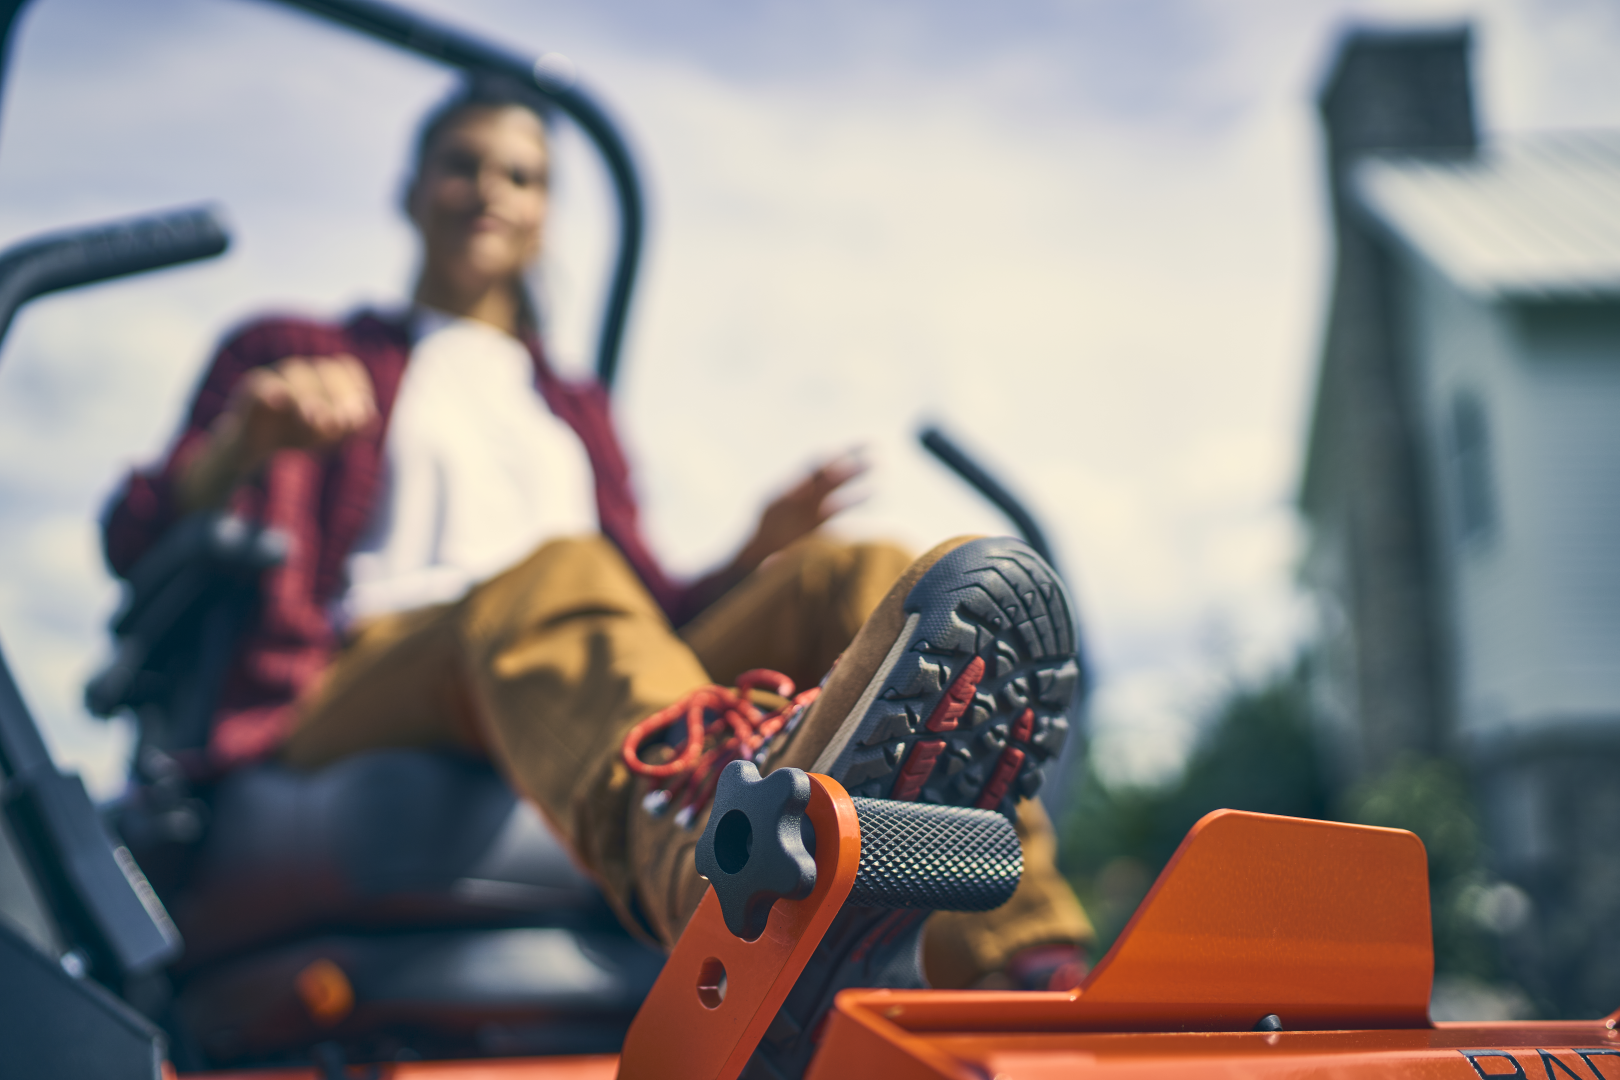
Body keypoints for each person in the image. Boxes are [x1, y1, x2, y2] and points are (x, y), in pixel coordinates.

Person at [102, 76, 1092, 1055]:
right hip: (370, 677)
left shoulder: (573, 410)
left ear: (543, 219)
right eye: (464, 166)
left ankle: (1026, 954)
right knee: (554, 574)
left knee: (864, 572)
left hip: (555, 665)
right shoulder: (296, 347)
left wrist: (756, 549)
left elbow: (640, 613)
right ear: (413, 192)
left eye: (522, 177)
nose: (490, 189)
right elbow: (138, 536)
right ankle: (717, 875)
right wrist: (246, 440)